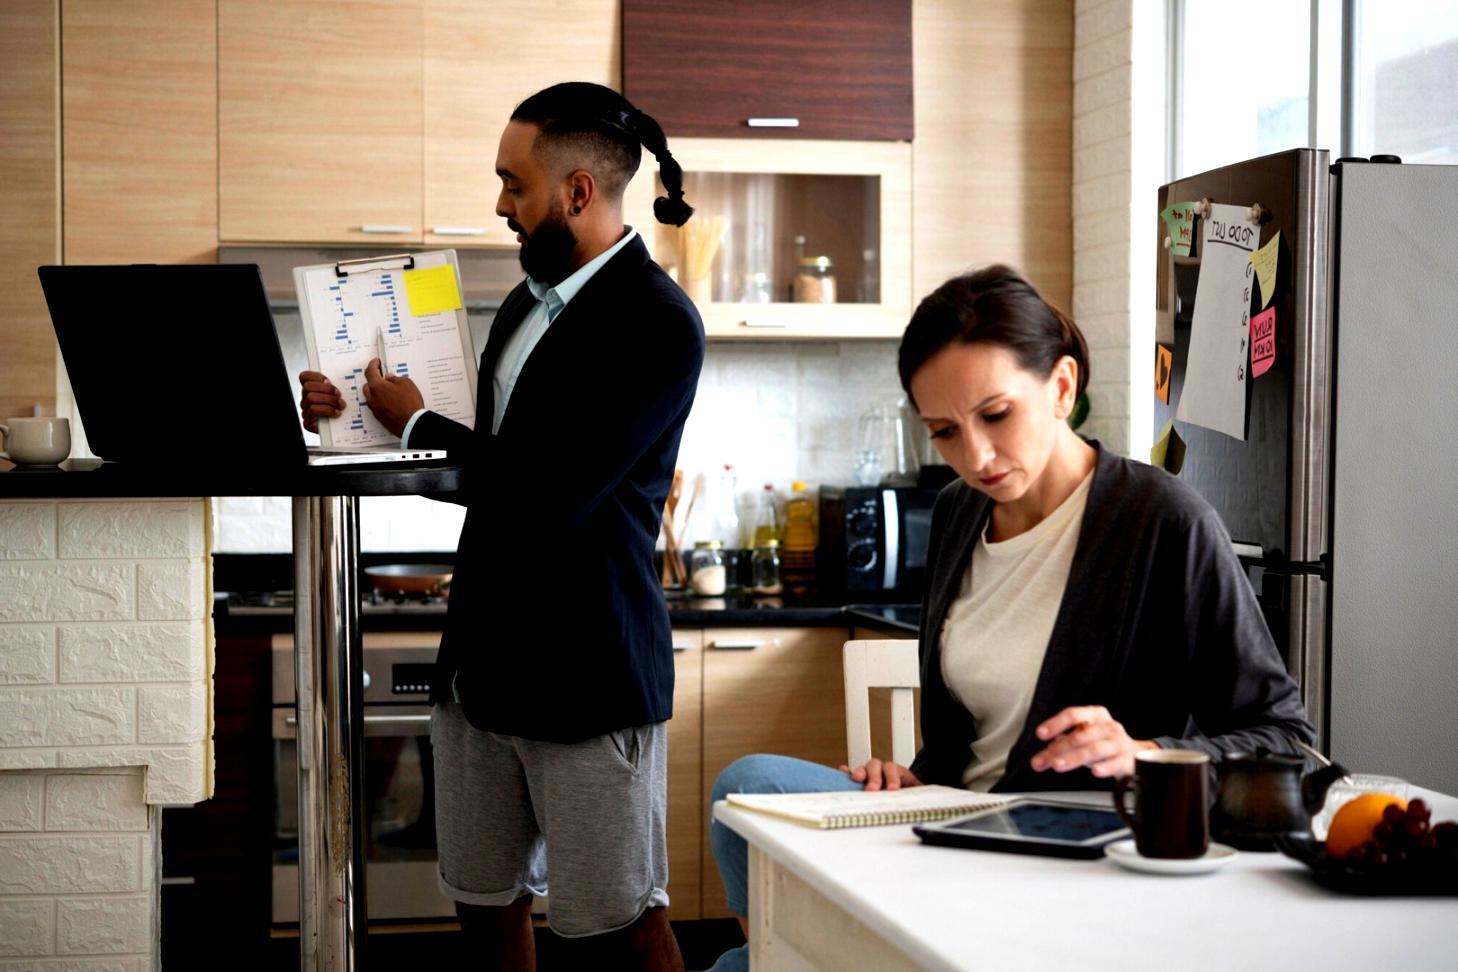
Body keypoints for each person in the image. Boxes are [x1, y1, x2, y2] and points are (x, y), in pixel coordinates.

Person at [704, 265, 1315, 972]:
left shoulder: (1162, 521)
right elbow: (972, 738)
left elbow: (1286, 741)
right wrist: (910, 777)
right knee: (746, 785)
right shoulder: (963, 513)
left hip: (1071, 850)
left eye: (996, 415)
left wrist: (1146, 755)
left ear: (1061, 387)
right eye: (944, 433)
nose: (976, 457)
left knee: (735, 970)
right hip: (953, 824)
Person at [298, 82, 705, 970]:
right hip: (482, 663)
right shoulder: (526, 305)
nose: (499, 204)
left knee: (620, 924)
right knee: (484, 905)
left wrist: (413, 423)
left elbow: (552, 492)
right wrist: (350, 413)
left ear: (577, 192)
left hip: (590, 675)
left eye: (513, 184)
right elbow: (476, 470)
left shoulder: (658, 324)